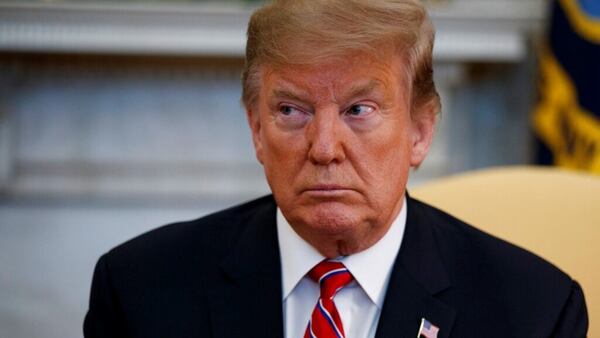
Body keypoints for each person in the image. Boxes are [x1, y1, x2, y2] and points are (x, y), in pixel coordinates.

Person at [84, 0, 588, 337]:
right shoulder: (138, 291)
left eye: (359, 110)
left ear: (420, 131)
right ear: (257, 129)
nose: (324, 148)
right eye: (291, 111)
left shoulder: (535, 313)